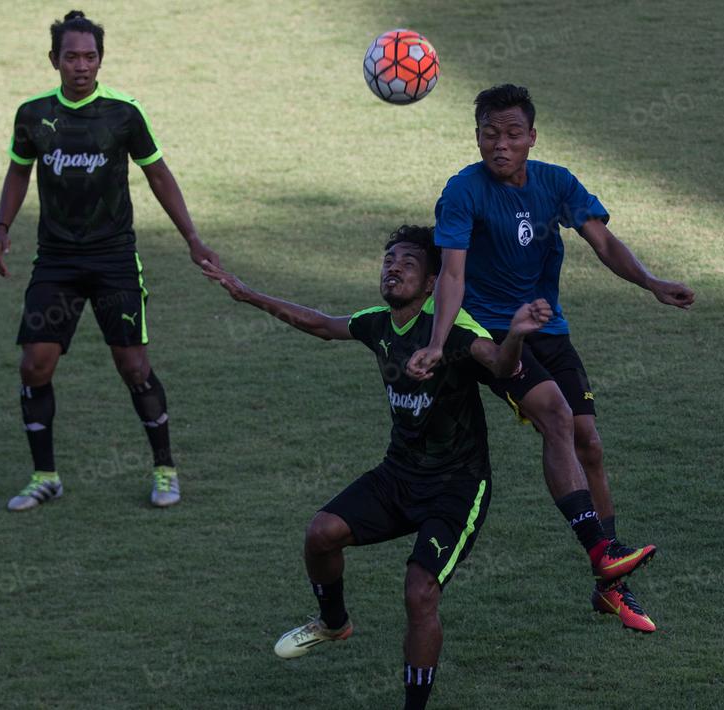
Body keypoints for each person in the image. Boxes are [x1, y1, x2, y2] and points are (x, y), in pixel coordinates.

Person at [203, 225, 551, 710]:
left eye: (409, 262)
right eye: (389, 261)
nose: (394, 268)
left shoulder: (453, 330)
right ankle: (333, 623)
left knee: (419, 591)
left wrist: (514, 334)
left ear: (433, 283)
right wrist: (247, 294)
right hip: (398, 475)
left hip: (456, 486)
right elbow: (321, 324)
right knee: (321, 533)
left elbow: (498, 365)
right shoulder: (377, 323)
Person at [407, 84, 696, 633]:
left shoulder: (555, 183)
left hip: (547, 326)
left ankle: (610, 587)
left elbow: (603, 243)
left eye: (513, 133)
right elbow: (451, 273)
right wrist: (440, 343)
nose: (501, 144)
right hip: (493, 334)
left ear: (532, 138)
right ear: (477, 137)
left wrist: (652, 283)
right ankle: (602, 553)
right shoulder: (462, 192)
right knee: (556, 417)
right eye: (490, 133)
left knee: (588, 439)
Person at [0, 10, 219, 511]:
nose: (81, 65)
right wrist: (1, 227)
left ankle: (165, 470)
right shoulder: (32, 116)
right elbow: (17, 172)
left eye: (89, 56)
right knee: (35, 365)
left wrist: (192, 238)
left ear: (101, 59)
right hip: (56, 262)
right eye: (71, 56)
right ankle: (45, 476)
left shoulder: (123, 114)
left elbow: (158, 174)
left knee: (133, 366)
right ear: (54, 60)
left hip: (114, 259)